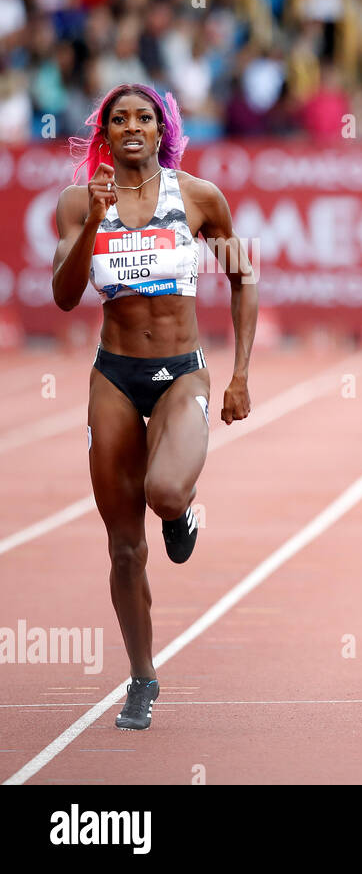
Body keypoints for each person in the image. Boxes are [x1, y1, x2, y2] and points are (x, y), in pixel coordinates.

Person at [51, 83, 257, 728]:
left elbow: (241, 277)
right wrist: (93, 220)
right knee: (122, 548)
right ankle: (142, 677)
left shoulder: (197, 197)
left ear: (163, 129)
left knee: (165, 492)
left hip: (181, 374)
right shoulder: (77, 202)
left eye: (144, 117)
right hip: (114, 374)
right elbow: (62, 295)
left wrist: (240, 374)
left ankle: (182, 514)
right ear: (105, 133)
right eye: (119, 118)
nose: (132, 126)